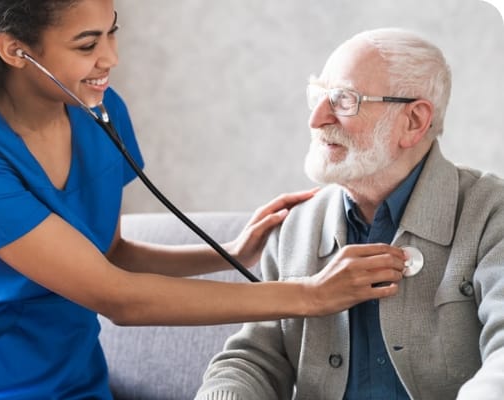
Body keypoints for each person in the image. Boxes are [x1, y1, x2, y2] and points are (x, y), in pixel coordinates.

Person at [0, 2, 408, 399]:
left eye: (113, 32)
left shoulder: (100, 109)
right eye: (87, 44)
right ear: (16, 51)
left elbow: (109, 252)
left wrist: (232, 252)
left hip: (74, 376)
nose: (109, 58)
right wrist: (309, 294)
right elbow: (118, 297)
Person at [196, 27, 504, 400]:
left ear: (413, 121)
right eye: (318, 96)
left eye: (344, 100)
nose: (317, 118)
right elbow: (253, 358)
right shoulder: (294, 225)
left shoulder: (490, 212)